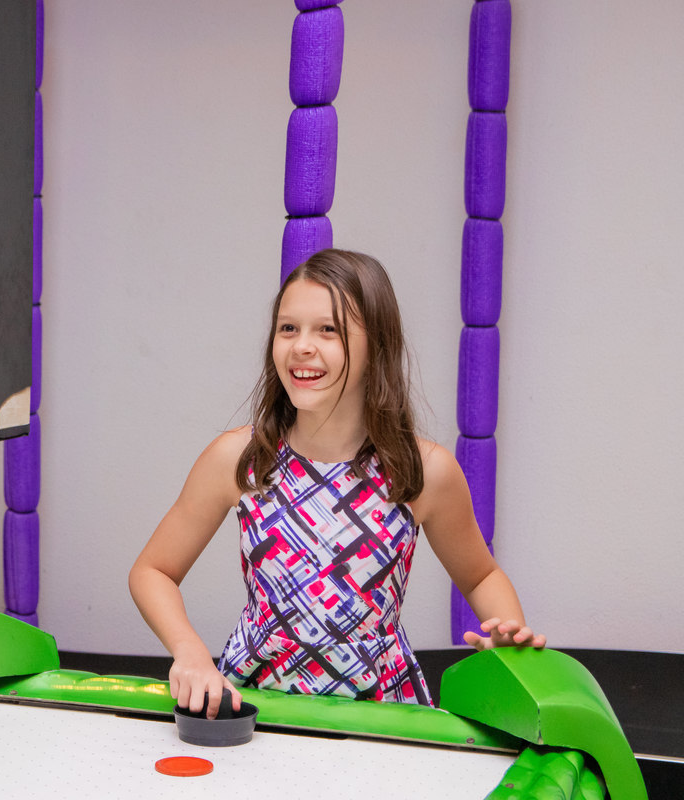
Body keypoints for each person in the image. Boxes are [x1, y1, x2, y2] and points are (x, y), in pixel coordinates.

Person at [128, 249, 545, 720]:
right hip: (260, 709)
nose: (302, 346)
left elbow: (481, 575)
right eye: (288, 328)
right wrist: (189, 653)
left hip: (382, 720)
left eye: (328, 329)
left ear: (378, 346)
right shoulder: (239, 458)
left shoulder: (424, 469)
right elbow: (152, 571)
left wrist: (509, 634)